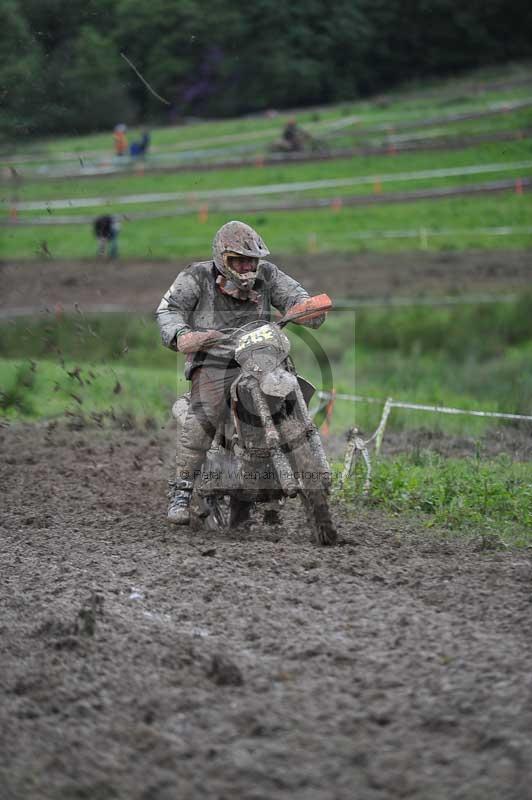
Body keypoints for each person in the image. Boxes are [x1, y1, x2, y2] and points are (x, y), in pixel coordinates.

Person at [156, 220, 326, 525]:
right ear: (223, 258)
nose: (247, 267)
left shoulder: (268, 274)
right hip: (214, 359)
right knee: (205, 412)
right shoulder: (197, 275)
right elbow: (169, 309)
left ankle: (308, 464)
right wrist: (182, 334)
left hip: (261, 355)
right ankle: (181, 489)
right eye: (240, 260)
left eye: (251, 260)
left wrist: (307, 308)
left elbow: (296, 296)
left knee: (294, 386)